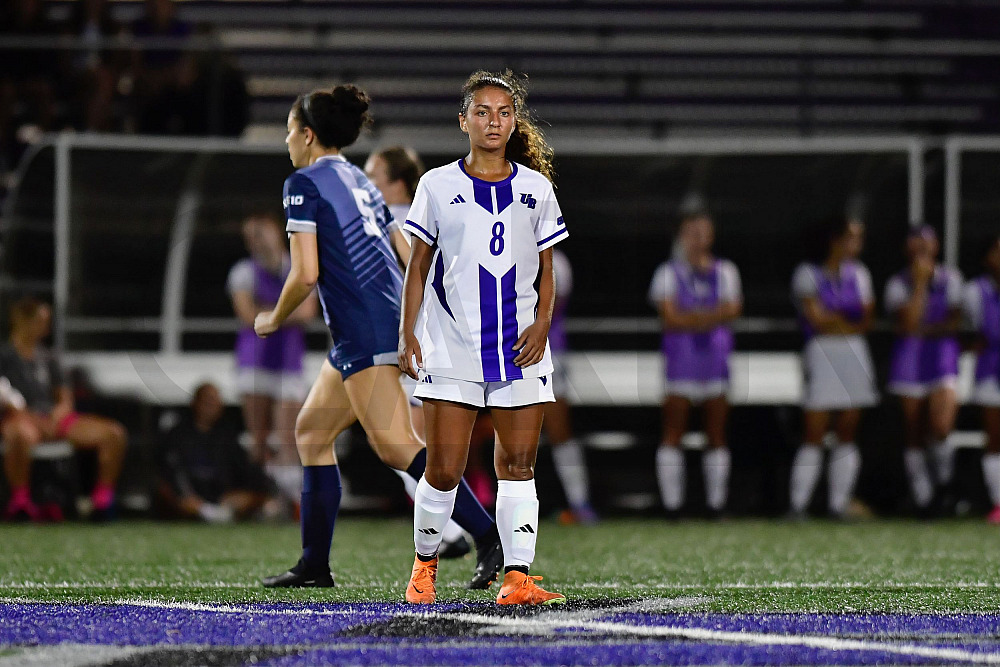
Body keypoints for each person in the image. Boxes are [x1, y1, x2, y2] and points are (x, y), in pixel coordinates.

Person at [253, 85, 503, 589]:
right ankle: (314, 565)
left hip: (362, 326)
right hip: (371, 322)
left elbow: (304, 273)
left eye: (287, 131)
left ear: (306, 135)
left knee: (395, 447)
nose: (286, 141)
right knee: (312, 433)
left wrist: (273, 319)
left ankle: (489, 537)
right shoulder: (358, 179)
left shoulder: (303, 183)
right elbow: (401, 249)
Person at [399, 69, 566, 605]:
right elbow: (417, 267)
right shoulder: (436, 185)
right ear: (464, 120)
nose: (493, 122)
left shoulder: (536, 189)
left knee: (518, 465)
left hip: (520, 344)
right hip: (452, 343)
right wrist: (408, 333)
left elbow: (548, 267)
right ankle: (424, 568)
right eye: (482, 112)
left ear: (514, 121)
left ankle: (517, 578)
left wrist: (543, 321)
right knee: (444, 468)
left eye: (503, 113)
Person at [365, 145, 471, 558]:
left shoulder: (402, 218)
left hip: (415, 343)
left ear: (396, 183)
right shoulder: (423, 214)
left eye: (374, 177)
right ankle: (454, 531)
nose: (366, 184)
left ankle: (461, 530)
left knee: (409, 445)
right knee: (403, 445)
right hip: (416, 340)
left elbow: (418, 270)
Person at [649, 211, 742, 517]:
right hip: (681, 361)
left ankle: (716, 505)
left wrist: (691, 318)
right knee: (673, 432)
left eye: (704, 232)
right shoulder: (667, 273)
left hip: (716, 361)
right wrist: (710, 316)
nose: (698, 239)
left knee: (716, 434)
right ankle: (672, 506)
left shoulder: (726, 271)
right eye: (692, 232)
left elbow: (733, 310)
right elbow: (670, 317)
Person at [1, 298, 127, 521]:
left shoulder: (49, 356)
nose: (45, 327)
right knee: (20, 434)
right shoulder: (5, 356)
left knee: (113, 433)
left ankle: (101, 502)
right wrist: (33, 419)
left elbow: (64, 398)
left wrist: (56, 416)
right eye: (40, 321)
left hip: (54, 419)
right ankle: (20, 501)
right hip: (21, 419)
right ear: (21, 320)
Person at [788, 215, 878, 519]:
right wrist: (843, 322)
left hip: (854, 356)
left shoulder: (860, 274)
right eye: (852, 236)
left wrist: (834, 320)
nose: (858, 244)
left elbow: (866, 320)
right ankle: (798, 505)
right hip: (822, 354)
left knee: (847, 432)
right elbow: (815, 319)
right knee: (814, 431)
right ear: (835, 239)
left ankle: (838, 505)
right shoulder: (808, 273)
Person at [227, 210, 315, 507]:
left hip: (289, 360)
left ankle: (292, 499)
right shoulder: (243, 271)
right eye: (250, 236)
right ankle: (259, 495)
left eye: (261, 233)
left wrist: (272, 314)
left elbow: (307, 313)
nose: (256, 241)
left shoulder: (298, 267)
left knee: (288, 433)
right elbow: (247, 315)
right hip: (254, 360)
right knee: (258, 436)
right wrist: (284, 312)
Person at [884, 225, 962, 514]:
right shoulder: (898, 283)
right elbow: (909, 322)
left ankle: (945, 486)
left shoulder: (950, 279)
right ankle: (923, 496)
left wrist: (923, 329)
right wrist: (919, 285)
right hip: (909, 361)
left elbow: (954, 321)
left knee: (941, 427)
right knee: (914, 430)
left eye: (926, 244)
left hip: (941, 359)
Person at [156, 382, 271, 522]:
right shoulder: (178, 436)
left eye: (216, 401)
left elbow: (250, 474)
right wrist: (184, 499)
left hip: (223, 501)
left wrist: (242, 496)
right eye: (208, 401)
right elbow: (168, 474)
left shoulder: (228, 437)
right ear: (196, 403)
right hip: (189, 501)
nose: (212, 406)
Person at [546, 247, 598, 524]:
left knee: (559, 430)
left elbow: (548, 305)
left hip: (548, 353)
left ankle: (580, 503)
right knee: (509, 435)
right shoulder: (500, 247)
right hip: (503, 352)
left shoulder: (557, 260)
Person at [963, 235, 1000, 523]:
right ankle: (998, 502)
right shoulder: (975, 291)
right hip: (990, 370)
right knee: (995, 438)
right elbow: (967, 334)